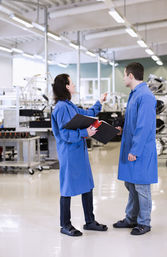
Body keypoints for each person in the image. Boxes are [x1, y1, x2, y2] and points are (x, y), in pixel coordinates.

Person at [51, 73, 108, 237]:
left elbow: (87, 113)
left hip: (79, 151)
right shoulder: (61, 108)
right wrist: (85, 132)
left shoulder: (70, 105)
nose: (74, 85)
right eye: (72, 82)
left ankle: (89, 221)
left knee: (87, 185)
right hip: (69, 153)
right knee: (67, 188)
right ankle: (65, 225)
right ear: (66, 87)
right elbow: (64, 135)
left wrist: (100, 102)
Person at [113, 62, 158, 235]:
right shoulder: (134, 94)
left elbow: (144, 126)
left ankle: (144, 223)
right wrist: (122, 129)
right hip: (131, 146)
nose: (123, 78)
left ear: (131, 76)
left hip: (141, 150)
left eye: (124, 75)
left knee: (142, 187)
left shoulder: (145, 96)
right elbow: (134, 122)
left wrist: (135, 150)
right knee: (131, 184)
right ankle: (131, 218)